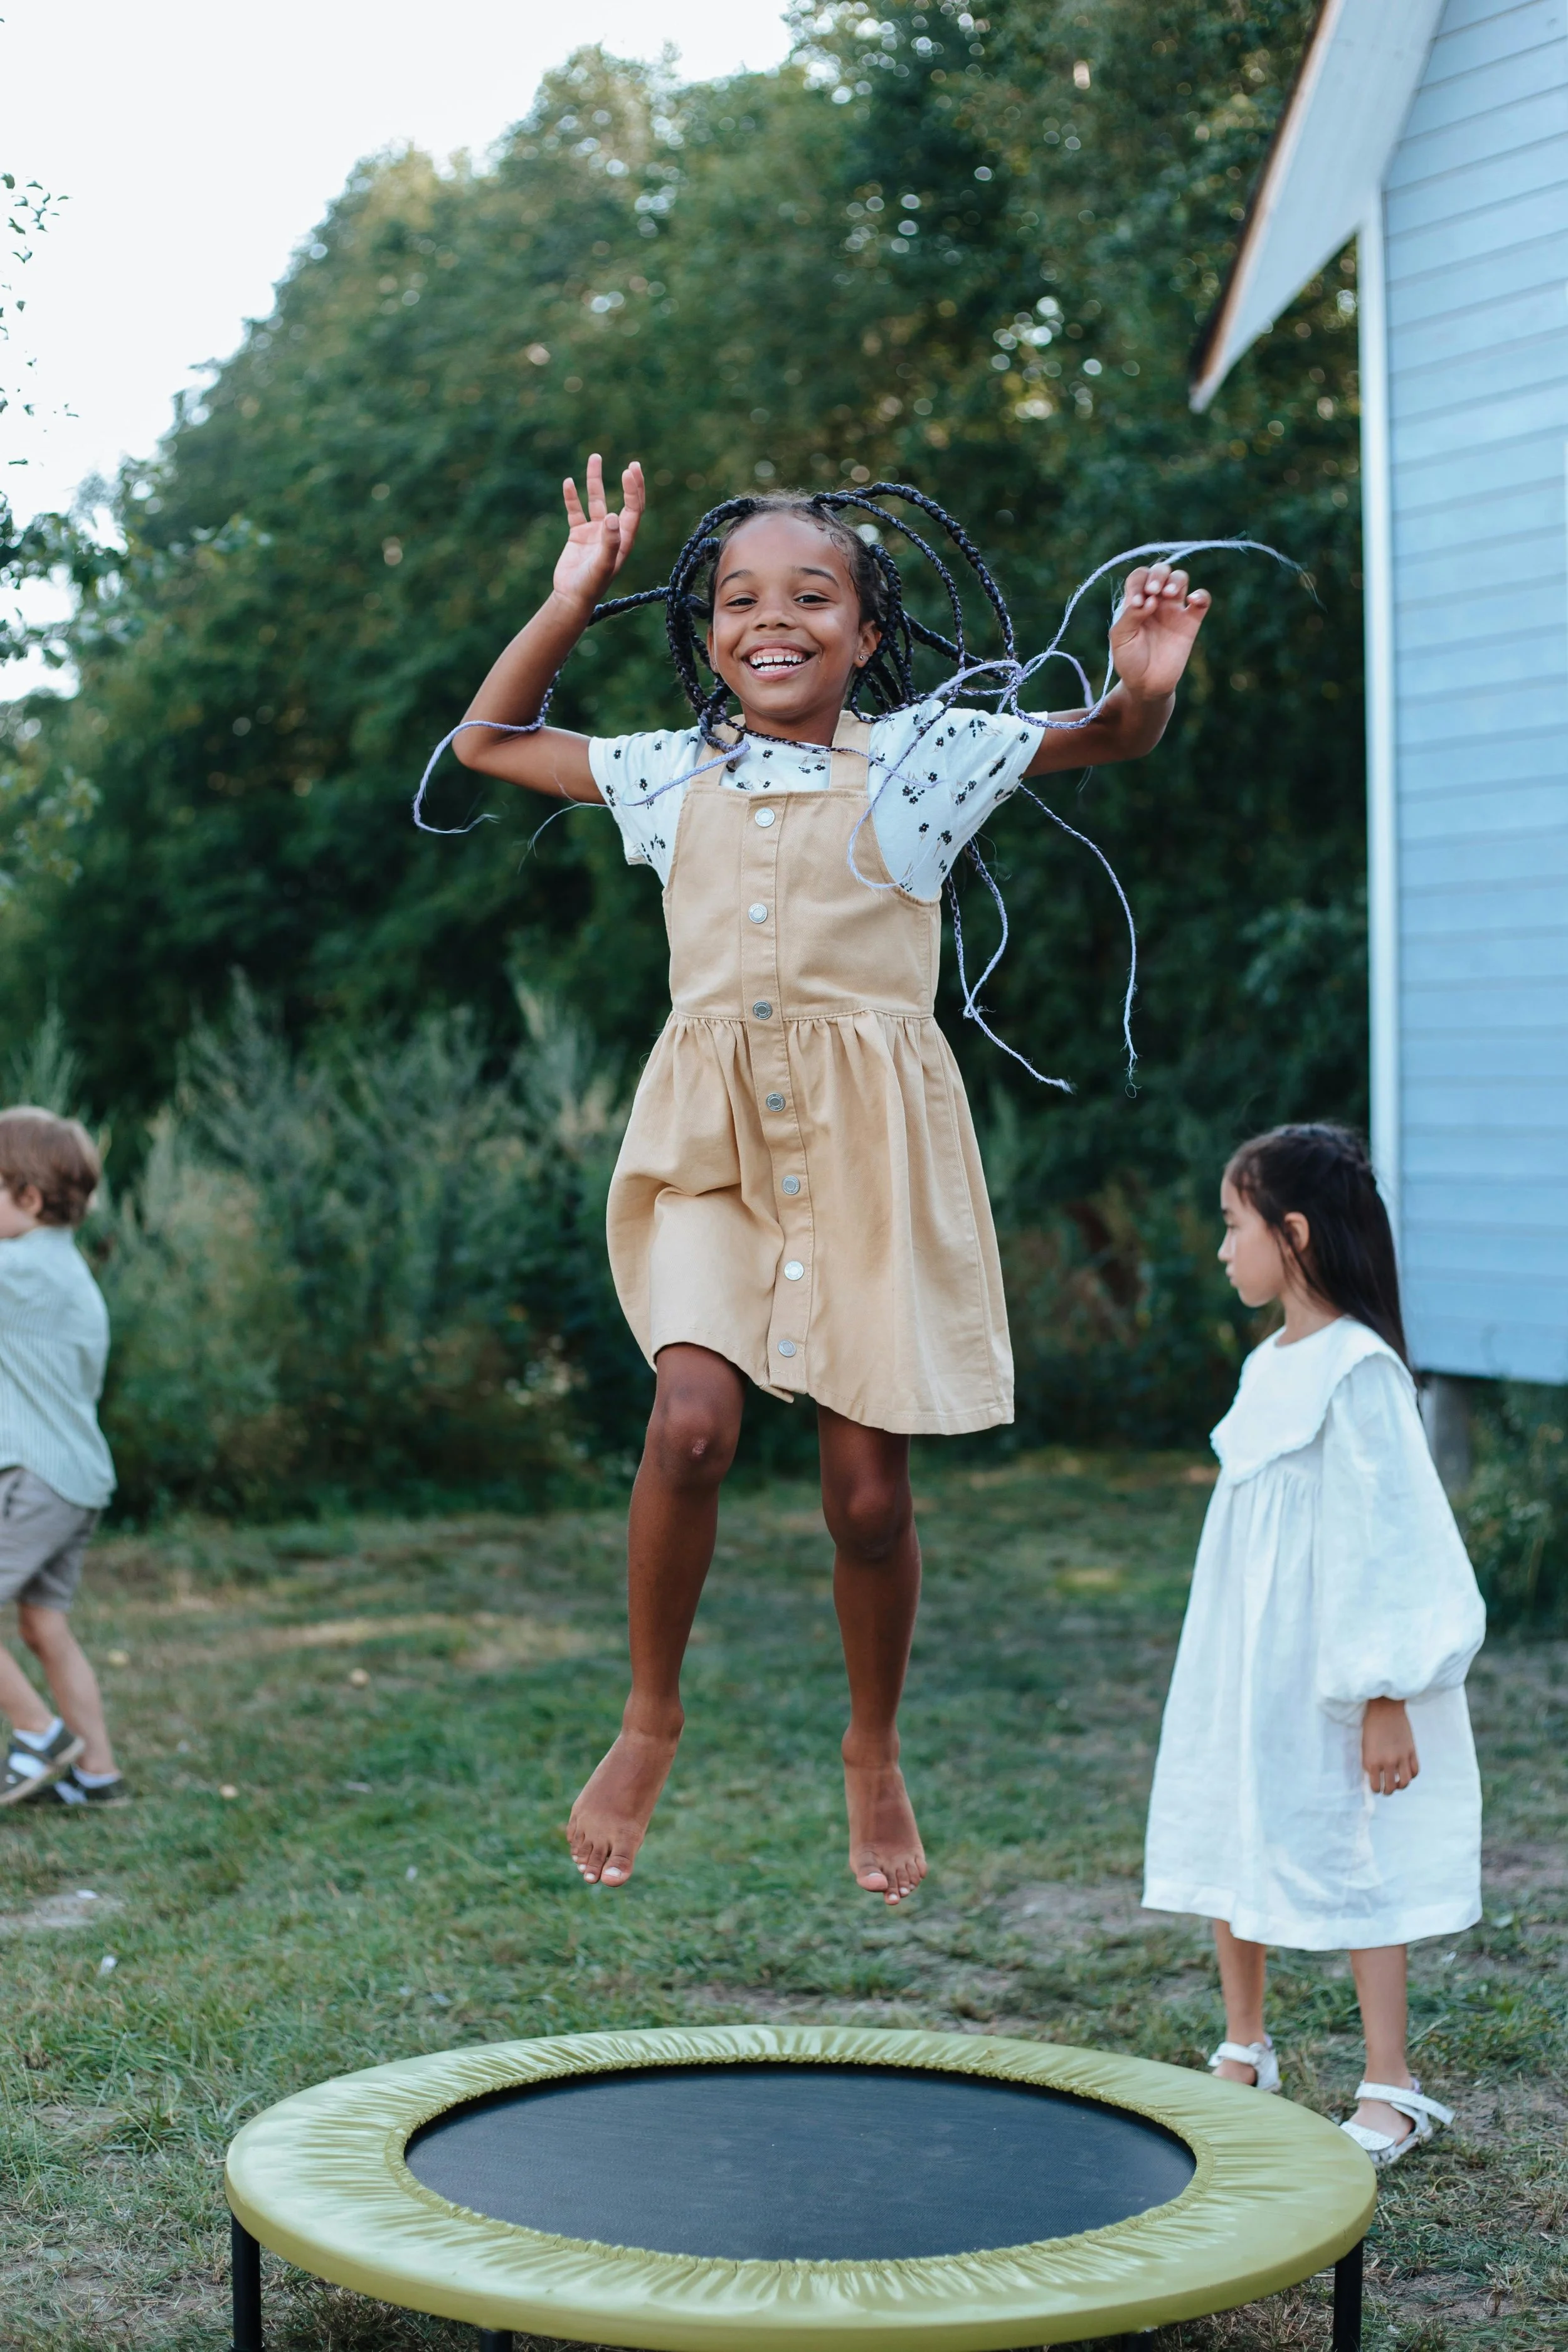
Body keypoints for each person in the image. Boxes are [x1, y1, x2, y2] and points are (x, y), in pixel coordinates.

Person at [449, 455, 1212, 1902]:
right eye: (739, 598)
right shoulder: (667, 772)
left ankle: (873, 1749)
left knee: (866, 1500)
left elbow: (1109, 733)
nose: (772, 617)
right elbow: (490, 740)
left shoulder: (926, 755)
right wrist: (566, 600)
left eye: (813, 594)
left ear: (867, 631)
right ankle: (648, 1717)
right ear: (704, 627)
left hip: (872, 1161)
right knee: (689, 1422)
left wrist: (1148, 683)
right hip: (711, 1155)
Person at [1142, 1123, 1485, 2165]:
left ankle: (1392, 2083)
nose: (1221, 1249)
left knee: (1356, 1846)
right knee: (1230, 1813)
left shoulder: (1360, 1370)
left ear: (1292, 1234)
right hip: (1247, 1656)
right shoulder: (1266, 1368)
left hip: (1334, 1663)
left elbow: (1391, 1533)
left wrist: (1385, 1691)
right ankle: (1244, 2044)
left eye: (1233, 1225)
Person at [0, 1106, 124, 1809]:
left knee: (42, 1625)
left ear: (30, 1198)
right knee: (45, 1626)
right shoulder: (63, 1272)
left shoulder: (17, 1272)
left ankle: (39, 1734)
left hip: (38, 1479)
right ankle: (96, 1774)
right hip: (78, 1478)